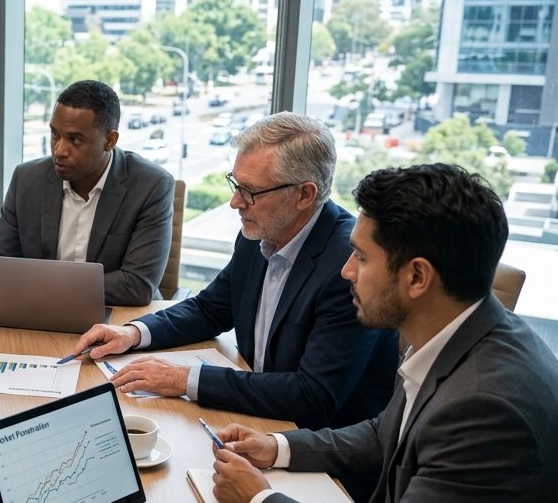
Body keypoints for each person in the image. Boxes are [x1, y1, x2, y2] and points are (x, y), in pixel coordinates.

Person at [209, 164, 558, 503]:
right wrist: (279, 448)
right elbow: (389, 432)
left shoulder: (490, 405)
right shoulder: (463, 332)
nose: (345, 271)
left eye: (360, 257)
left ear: (417, 277)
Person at [71, 113, 397, 430]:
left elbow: (312, 397)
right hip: (257, 420)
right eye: (235, 184)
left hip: (320, 454)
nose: (235, 202)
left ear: (304, 195)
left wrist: (185, 379)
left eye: (250, 192)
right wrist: (133, 333)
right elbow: (211, 307)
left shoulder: (348, 267)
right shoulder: (260, 232)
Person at [0, 79, 176, 306]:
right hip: (41, 314)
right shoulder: (27, 179)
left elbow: (136, 285)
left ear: (110, 140)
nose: (59, 151)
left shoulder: (151, 185)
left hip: (118, 320)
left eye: (75, 139)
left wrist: (43, 286)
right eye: (55, 134)